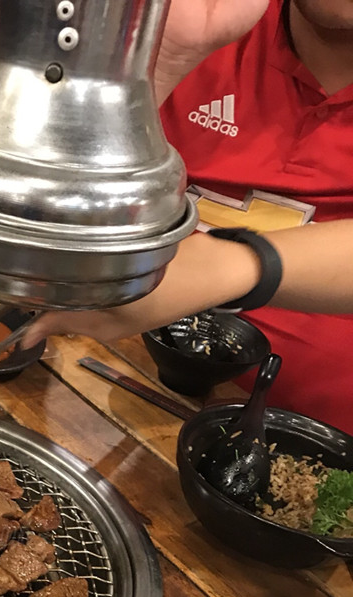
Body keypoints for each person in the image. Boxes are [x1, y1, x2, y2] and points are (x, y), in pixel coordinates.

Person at [23, 0, 353, 435]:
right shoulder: (207, 16)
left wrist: (230, 264)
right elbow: (44, 194)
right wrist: (161, 68)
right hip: (99, 369)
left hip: (311, 432)